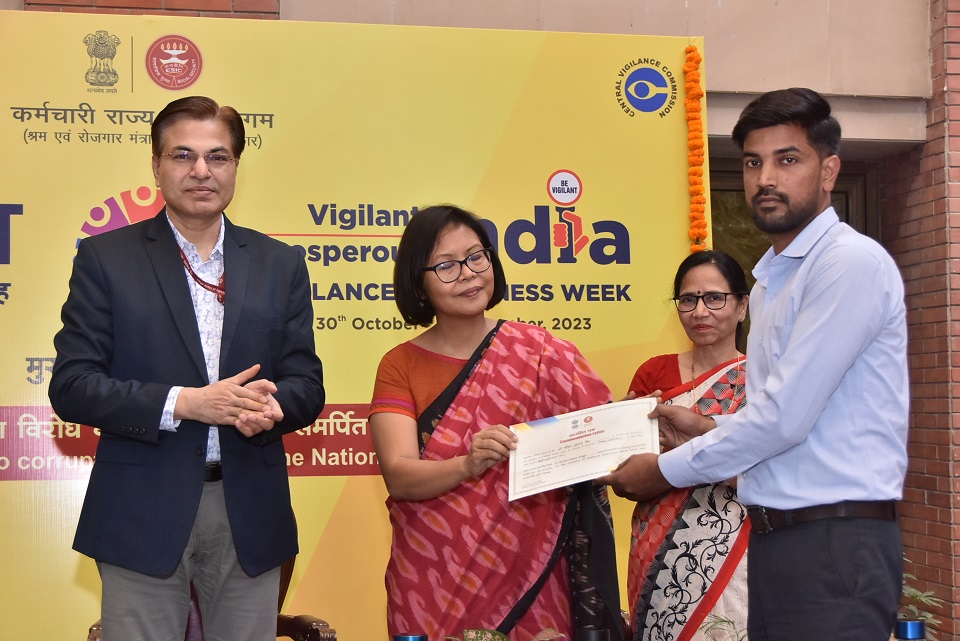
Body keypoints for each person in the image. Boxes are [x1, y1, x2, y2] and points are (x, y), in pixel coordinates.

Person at [599, 87, 908, 641]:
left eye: (787, 160)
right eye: (752, 162)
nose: (766, 178)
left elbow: (783, 419)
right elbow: (775, 412)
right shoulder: (771, 280)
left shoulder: (847, 263)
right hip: (776, 538)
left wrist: (662, 470)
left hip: (834, 540)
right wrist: (707, 427)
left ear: (829, 170)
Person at [49, 96, 325, 641]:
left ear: (236, 166)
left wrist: (271, 408)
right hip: (141, 506)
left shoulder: (280, 263)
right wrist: (186, 403)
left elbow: (306, 385)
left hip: (249, 507)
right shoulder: (106, 259)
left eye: (218, 157)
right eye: (183, 155)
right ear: (156, 166)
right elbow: (73, 386)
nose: (202, 170)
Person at [369, 204, 623, 641]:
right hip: (432, 579)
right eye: (446, 265)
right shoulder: (399, 365)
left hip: (532, 573)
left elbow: (602, 438)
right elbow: (400, 475)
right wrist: (468, 465)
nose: (468, 274)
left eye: (476, 257)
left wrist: (629, 424)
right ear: (418, 281)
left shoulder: (544, 352)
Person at [624, 250, 749, 641]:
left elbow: (767, 474)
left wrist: (685, 451)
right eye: (688, 299)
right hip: (658, 553)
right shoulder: (653, 373)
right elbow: (628, 480)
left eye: (714, 298)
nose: (700, 311)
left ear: (742, 306)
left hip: (737, 551)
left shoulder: (765, 379)